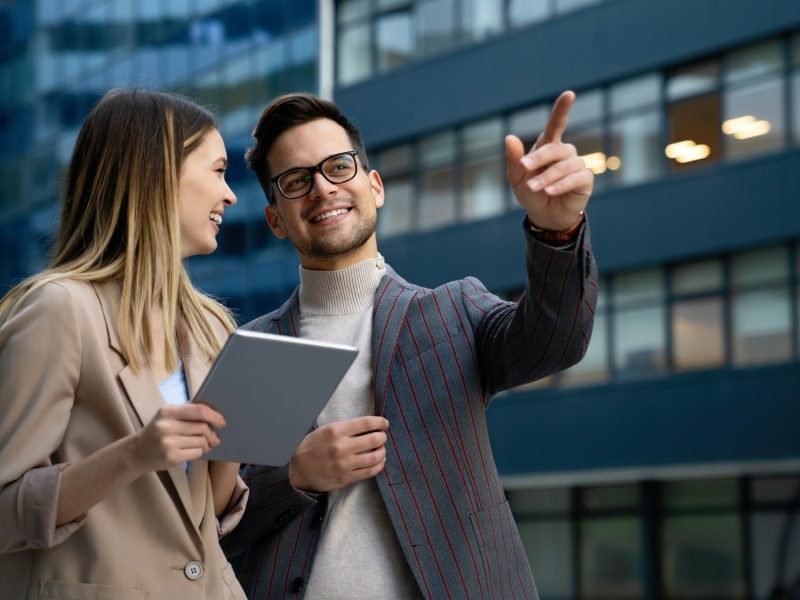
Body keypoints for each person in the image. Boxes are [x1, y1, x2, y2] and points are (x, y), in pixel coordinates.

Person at [222, 90, 598, 600]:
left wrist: (556, 230)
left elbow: (554, 343)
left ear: (374, 186)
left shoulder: (452, 312)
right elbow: (219, 528)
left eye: (338, 167)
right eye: (296, 180)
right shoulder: (254, 349)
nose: (322, 188)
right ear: (275, 221)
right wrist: (296, 475)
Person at [0, 89, 249, 599]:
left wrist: (238, 445)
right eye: (219, 171)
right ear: (157, 173)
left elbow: (208, 513)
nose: (231, 196)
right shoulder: (60, 311)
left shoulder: (212, 326)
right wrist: (134, 454)